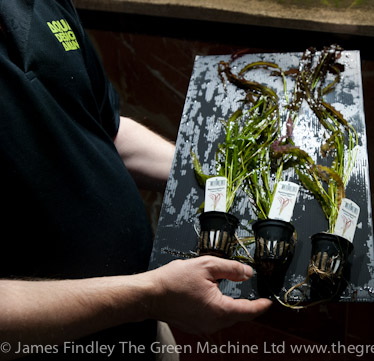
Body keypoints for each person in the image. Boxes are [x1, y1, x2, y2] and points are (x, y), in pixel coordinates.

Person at [0, 1, 272, 360]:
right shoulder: (149, 295)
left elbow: (104, 128)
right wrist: (147, 294)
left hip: (145, 327)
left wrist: (222, 175)